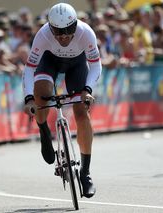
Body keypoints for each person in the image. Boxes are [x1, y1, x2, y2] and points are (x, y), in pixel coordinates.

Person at [22, 3, 101, 198]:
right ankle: (43, 129)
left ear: (76, 25)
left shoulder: (86, 33)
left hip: (77, 65)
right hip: (49, 62)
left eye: (69, 32)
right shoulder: (42, 36)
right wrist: (29, 99)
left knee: (82, 111)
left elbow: (96, 65)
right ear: (50, 28)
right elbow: (29, 68)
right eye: (59, 33)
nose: (64, 37)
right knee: (42, 91)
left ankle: (85, 173)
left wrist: (88, 90)